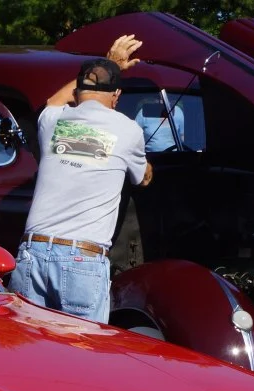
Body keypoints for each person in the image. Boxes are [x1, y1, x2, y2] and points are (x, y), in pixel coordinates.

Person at [10, 39, 151, 324]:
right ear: (117, 96)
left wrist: (105, 63)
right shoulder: (128, 130)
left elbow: (53, 101)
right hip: (82, 260)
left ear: (77, 92)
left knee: (29, 350)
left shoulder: (52, 121)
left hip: (33, 252)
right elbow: (142, 179)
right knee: (82, 356)